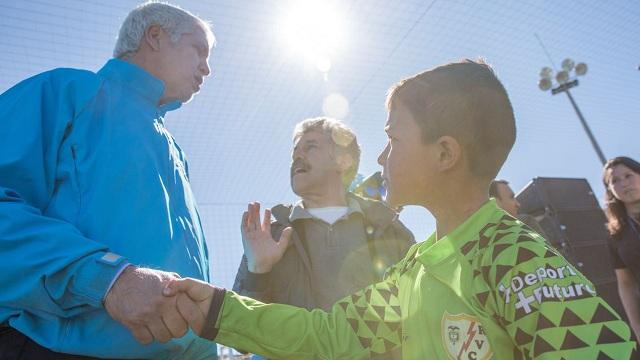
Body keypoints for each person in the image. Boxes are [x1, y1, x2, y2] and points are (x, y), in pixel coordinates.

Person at [166, 60, 636, 359]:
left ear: (444, 154)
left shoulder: (514, 256)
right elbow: (330, 335)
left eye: (392, 140)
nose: (380, 157)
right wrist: (218, 310)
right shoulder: (414, 267)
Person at [0, 2, 217, 359]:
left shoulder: (176, 151)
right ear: (155, 36)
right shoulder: (68, 91)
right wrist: (108, 278)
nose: (207, 69)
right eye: (199, 50)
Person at [233, 118, 414, 359]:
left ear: (343, 160)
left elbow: (418, 318)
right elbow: (241, 338)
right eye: (294, 151)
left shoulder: (389, 230)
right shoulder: (270, 235)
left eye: (310, 147)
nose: (297, 156)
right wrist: (258, 272)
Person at [603, 156, 640, 344]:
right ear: (610, 190)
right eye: (615, 181)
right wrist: (638, 330)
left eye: (628, 175)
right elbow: (626, 285)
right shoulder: (616, 235)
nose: (624, 183)